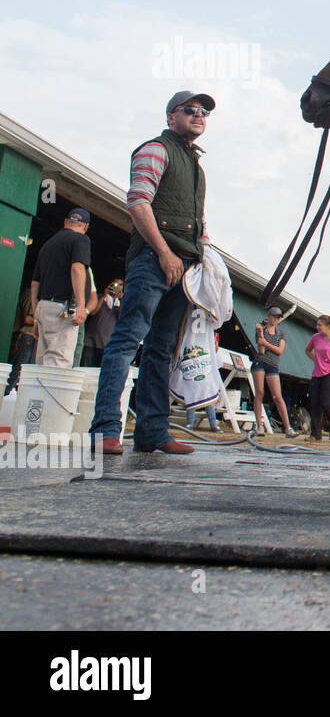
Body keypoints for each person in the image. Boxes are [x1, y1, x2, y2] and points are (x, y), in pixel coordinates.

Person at [89, 91, 216, 455]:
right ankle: (105, 430)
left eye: (204, 111)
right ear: (170, 116)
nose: (199, 115)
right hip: (152, 259)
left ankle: (152, 433)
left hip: (184, 266)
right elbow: (138, 201)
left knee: (162, 350)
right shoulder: (155, 149)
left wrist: (203, 261)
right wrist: (163, 252)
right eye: (190, 109)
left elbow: (199, 222)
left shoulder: (196, 167)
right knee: (127, 340)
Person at [30, 208, 93, 367]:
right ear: (85, 227)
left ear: (66, 222)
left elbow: (34, 283)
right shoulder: (81, 240)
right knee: (58, 364)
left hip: (43, 306)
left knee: (41, 364)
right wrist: (80, 306)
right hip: (62, 309)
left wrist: (36, 316)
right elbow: (77, 269)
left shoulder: (48, 244)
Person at [252, 306, 296, 437]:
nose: (276, 319)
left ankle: (288, 428)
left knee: (277, 395)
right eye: (274, 316)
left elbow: (280, 351)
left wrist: (265, 342)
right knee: (259, 392)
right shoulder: (261, 330)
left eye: (278, 317)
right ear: (269, 316)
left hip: (273, 364)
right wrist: (260, 334)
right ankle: (259, 425)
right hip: (260, 362)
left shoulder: (281, 333)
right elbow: (261, 350)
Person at [81, 278, 122, 368]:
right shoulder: (99, 297)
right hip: (90, 342)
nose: (117, 287)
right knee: (86, 369)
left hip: (108, 344)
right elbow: (93, 312)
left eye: (120, 285)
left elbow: (121, 317)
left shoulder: (120, 303)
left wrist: (121, 299)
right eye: (115, 284)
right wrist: (104, 295)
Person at [6, 288, 37, 393]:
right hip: (24, 338)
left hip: (25, 339)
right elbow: (27, 319)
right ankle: (6, 396)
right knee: (17, 374)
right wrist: (47, 321)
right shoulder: (30, 293)